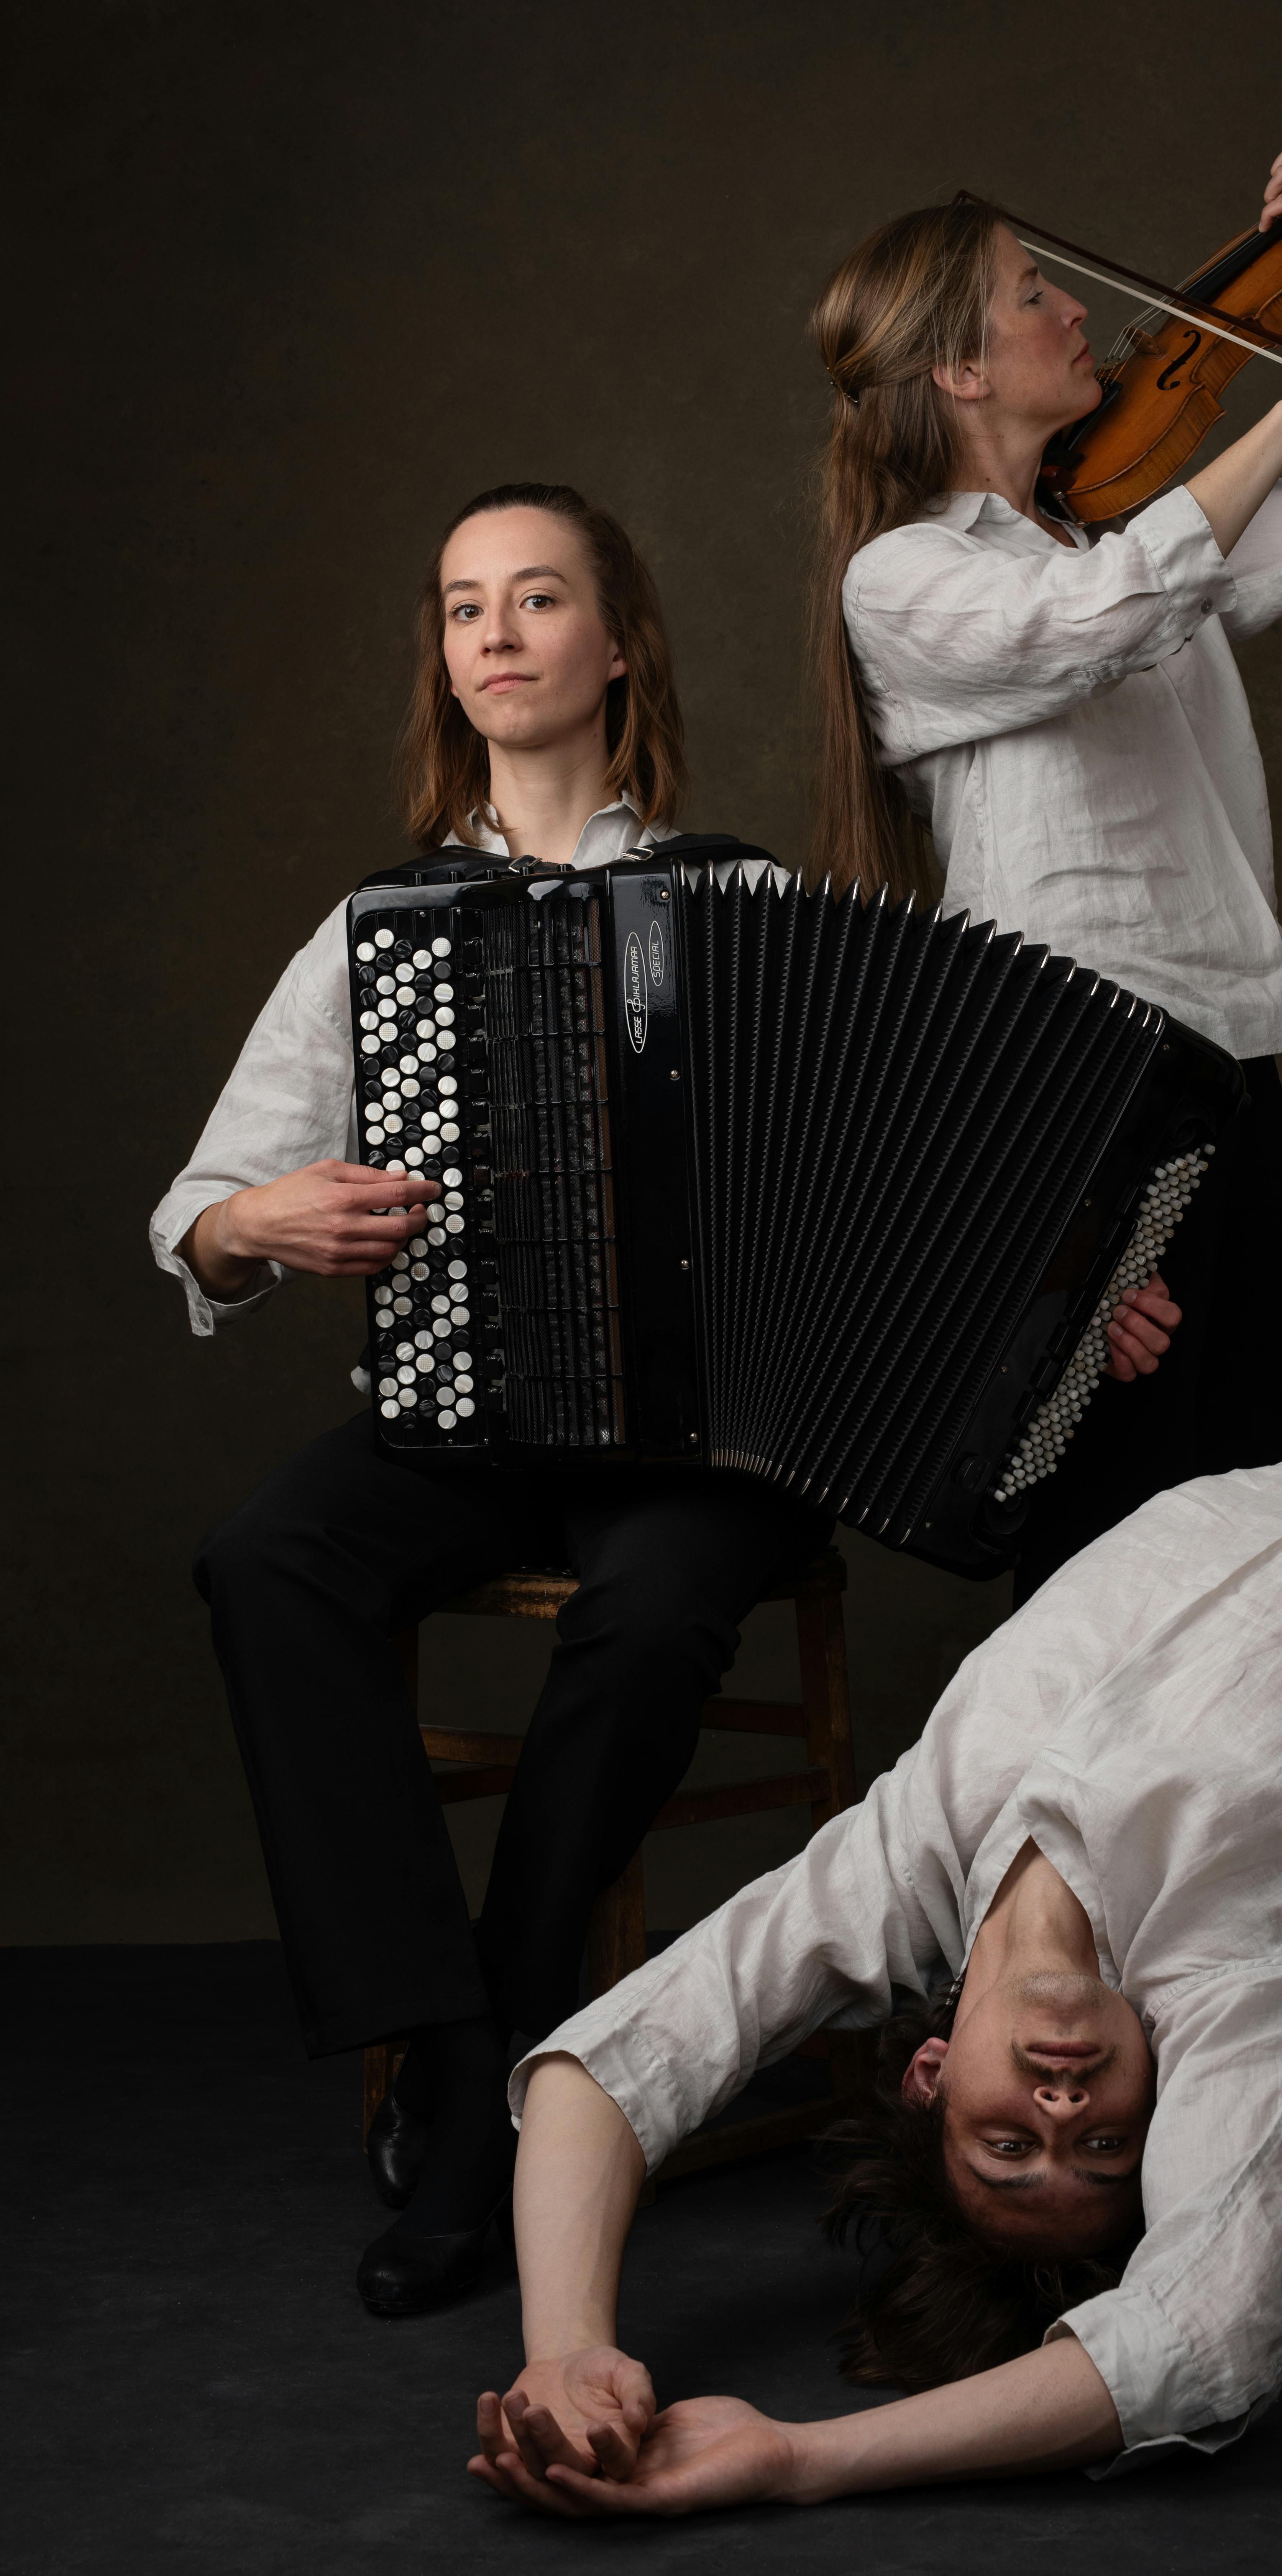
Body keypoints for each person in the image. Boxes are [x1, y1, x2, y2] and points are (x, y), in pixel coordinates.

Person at [466, 1445, 1282, 2517]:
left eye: (1007, 2149)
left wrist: (566, 2346)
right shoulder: (1240, 1977)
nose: (1062, 2121)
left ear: (931, 2073)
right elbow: (1203, 2340)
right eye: (1107, 2151)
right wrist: (798, 2458)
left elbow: (614, 2065)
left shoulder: (906, 1856)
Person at [150, 481, 851, 2318]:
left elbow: (866, 1177)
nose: (497, 633)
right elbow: (201, 1213)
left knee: (658, 1605)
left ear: (617, 646)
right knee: (269, 1557)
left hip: (711, 1438)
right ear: (447, 664)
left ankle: (493, 2064)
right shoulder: (383, 928)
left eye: (539, 598)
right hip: (468, 1413)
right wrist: (254, 1223)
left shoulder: (750, 901)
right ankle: (462, 2058)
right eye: (465, 608)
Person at [809, 145, 1282, 1595]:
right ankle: (1094, 1817)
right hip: (1076, 1093)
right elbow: (1104, 617)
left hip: (1225, 1054)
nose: (1077, 315)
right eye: (1036, 297)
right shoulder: (906, 578)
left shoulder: (1128, 515)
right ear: (962, 373)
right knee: (1125, 1536)